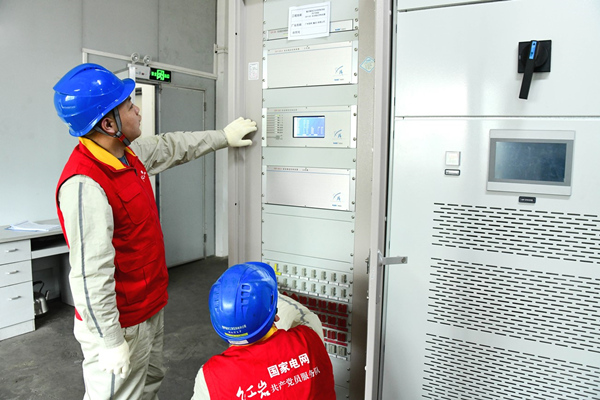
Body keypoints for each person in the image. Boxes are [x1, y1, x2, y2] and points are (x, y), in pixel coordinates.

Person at [53, 63, 257, 400]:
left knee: (149, 386)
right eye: (129, 106)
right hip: (120, 323)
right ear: (108, 124)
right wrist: (111, 340)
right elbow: (90, 275)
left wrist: (223, 136)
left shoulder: (127, 155)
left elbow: (172, 145)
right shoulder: (85, 185)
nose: (137, 111)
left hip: (148, 307)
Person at [191, 262, 335, 399]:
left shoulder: (210, 378)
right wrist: (269, 295)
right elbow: (300, 314)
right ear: (275, 314)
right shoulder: (309, 338)